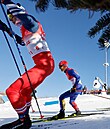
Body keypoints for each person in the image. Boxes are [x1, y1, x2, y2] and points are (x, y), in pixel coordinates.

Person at [0, 0, 55, 129]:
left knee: (12, 91)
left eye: (11, 16)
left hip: (44, 65)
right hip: (44, 66)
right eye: (9, 17)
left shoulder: (31, 23)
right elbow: (20, 41)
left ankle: (23, 120)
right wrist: (6, 29)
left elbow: (23, 16)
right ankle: (25, 120)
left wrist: (6, 2)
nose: (11, 19)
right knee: (25, 93)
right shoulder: (25, 29)